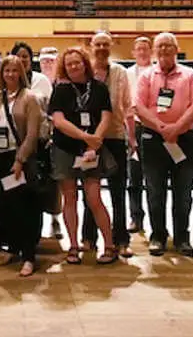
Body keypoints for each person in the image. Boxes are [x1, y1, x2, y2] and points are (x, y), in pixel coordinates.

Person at [135, 32, 193, 257]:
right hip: (153, 139)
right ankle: (158, 236)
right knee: (155, 192)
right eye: (160, 46)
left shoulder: (190, 75)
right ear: (155, 51)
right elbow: (138, 106)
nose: (164, 50)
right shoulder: (146, 76)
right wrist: (161, 127)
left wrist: (176, 128)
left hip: (184, 140)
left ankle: (182, 238)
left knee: (183, 193)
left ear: (176, 49)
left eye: (169, 46)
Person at [48, 47, 117, 266]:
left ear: (84, 63)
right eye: (69, 64)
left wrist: (95, 142)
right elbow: (58, 120)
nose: (73, 67)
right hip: (65, 149)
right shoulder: (60, 89)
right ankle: (73, 246)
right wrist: (85, 136)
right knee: (69, 199)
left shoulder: (98, 88)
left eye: (76, 62)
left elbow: (106, 117)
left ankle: (109, 245)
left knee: (94, 198)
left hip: (91, 152)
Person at [0, 55, 42, 277]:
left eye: (15, 70)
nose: (10, 74)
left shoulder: (30, 98)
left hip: (19, 160)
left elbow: (33, 134)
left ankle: (28, 256)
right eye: (6, 70)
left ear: (21, 73)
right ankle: (13, 248)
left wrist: (20, 160)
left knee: (24, 208)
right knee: (6, 208)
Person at [82, 31, 134, 258]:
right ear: (91, 47)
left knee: (117, 192)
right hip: (88, 140)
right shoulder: (84, 73)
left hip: (114, 137)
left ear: (111, 46)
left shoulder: (121, 73)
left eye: (105, 44)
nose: (102, 48)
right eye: (98, 44)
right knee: (90, 192)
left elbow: (128, 107)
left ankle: (121, 240)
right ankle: (88, 238)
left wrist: (131, 138)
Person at [126, 36, 154, 233]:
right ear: (133, 52)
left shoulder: (158, 73)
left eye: (145, 49)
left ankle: (156, 222)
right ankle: (136, 217)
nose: (142, 52)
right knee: (134, 177)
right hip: (132, 127)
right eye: (139, 49)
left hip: (153, 127)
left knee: (154, 179)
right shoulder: (126, 74)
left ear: (150, 51)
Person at [38, 45, 63, 239]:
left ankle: (56, 220)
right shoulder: (34, 82)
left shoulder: (62, 83)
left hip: (61, 138)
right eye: (44, 61)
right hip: (41, 139)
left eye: (51, 60)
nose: (47, 64)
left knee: (58, 183)